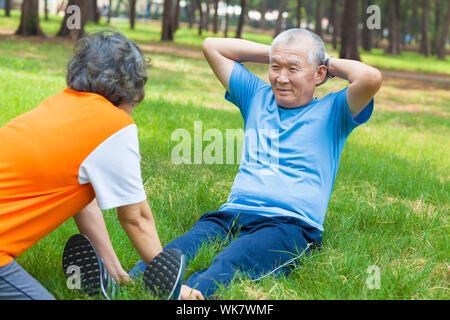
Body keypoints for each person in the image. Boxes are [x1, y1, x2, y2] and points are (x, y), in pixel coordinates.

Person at [129, 28, 383, 300]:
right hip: (231, 215)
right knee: (177, 250)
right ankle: (126, 283)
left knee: (231, 262)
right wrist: (280, 53)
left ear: (319, 74)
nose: (281, 78)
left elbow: (370, 77)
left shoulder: (335, 111)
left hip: (288, 225)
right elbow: (212, 46)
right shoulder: (256, 95)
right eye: (276, 67)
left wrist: (322, 60)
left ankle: (193, 295)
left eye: (293, 69)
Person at [0, 31, 185, 300]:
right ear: (131, 87)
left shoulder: (59, 104)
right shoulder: (115, 125)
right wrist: (175, 288)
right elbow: (137, 217)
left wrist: (115, 271)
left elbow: (83, 201)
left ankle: (108, 278)